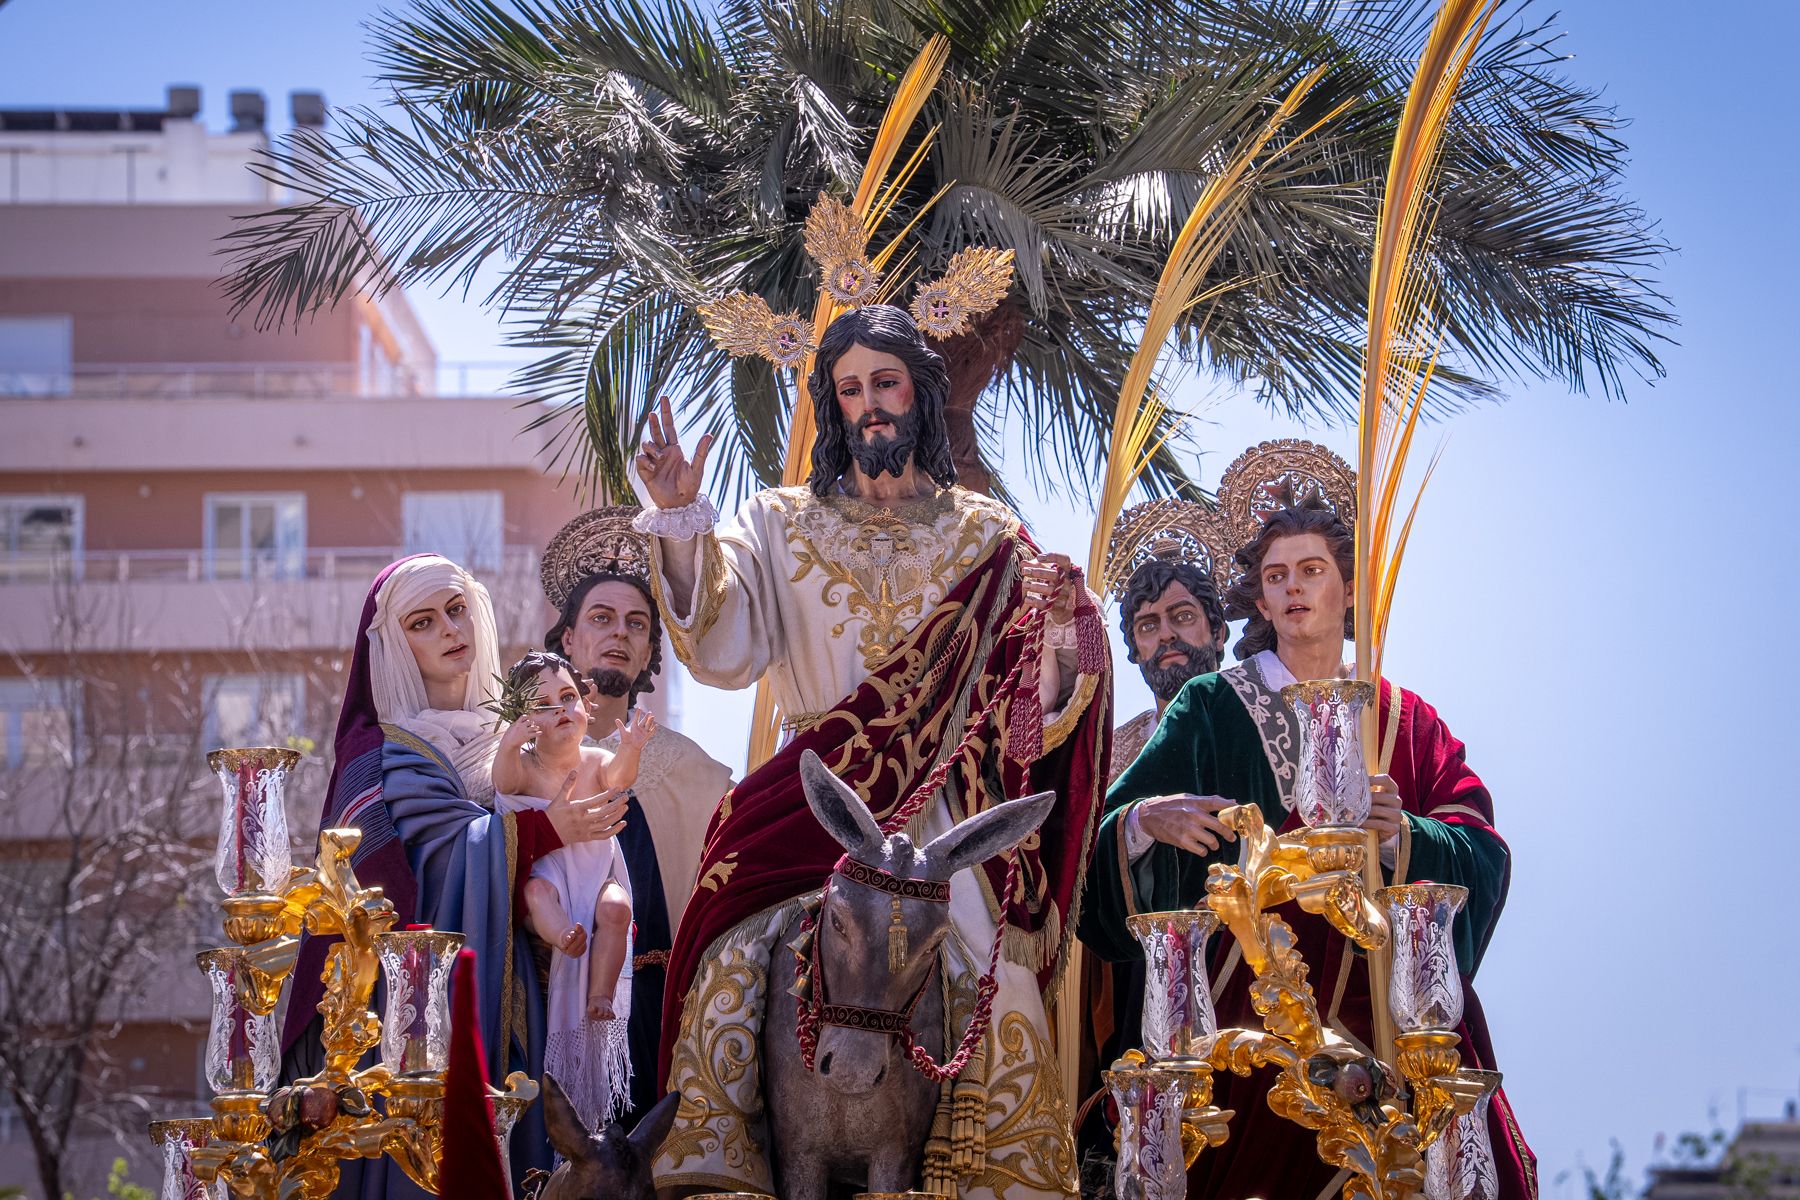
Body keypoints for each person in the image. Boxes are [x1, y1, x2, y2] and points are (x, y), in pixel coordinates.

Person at [634, 302, 1111, 1200]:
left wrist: (1056, 627)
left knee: (995, 984)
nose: (869, 406)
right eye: (849, 389)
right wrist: (682, 523)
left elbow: (1029, 718)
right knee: (735, 961)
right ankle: (720, 1168)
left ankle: (994, 1176)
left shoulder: (988, 532)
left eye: (885, 383)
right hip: (820, 808)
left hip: (943, 819)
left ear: (920, 395)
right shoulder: (777, 521)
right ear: (831, 404)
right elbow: (725, 648)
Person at [1078, 444, 1537, 1200]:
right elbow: (1109, 834)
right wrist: (1145, 822)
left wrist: (1408, 838)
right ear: (1258, 603)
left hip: (1389, 1023)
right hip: (1246, 1022)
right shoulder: (1213, 706)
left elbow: (1483, 849)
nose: (1293, 590)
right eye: (1275, 577)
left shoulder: (1405, 720)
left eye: (1312, 571)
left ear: (1349, 588)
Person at [280, 554, 630, 1197]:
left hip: (526, 982)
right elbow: (433, 865)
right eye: (423, 621)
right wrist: (549, 830)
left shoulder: (515, 737)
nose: (449, 629)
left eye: (457, 608)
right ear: (392, 647)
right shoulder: (384, 756)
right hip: (418, 1012)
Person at [538, 505, 737, 1127]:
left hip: (655, 1022)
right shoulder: (517, 754)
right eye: (601, 619)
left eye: (637, 624)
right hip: (545, 998)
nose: (619, 634)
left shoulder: (692, 770)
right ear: (568, 639)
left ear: (652, 647)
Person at [493, 650, 650, 1130]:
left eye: (567, 697)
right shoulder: (526, 765)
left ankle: (600, 995)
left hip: (597, 867)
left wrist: (633, 747)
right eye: (541, 706)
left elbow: (621, 778)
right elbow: (501, 781)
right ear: (523, 721)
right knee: (540, 897)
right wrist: (509, 743)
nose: (560, 710)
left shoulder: (596, 759)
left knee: (619, 909)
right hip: (552, 871)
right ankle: (564, 936)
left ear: (585, 703)